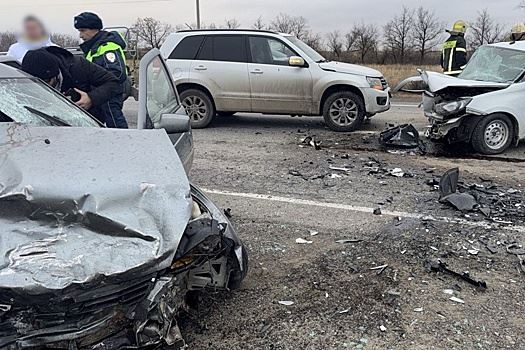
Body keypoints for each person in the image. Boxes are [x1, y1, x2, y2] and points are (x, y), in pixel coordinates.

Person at [21, 46, 121, 125]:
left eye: (47, 82)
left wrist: (91, 99)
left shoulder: (78, 66)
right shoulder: (22, 82)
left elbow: (113, 83)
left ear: (56, 75)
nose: (43, 88)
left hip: (84, 125)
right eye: (37, 84)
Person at [74, 12, 129, 129]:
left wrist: (94, 94)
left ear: (95, 29)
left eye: (83, 30)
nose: (80, 35)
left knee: (118, 132)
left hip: (109, 98)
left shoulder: (108, 47)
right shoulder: (93, 49)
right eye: (79, 31)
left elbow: (117, 74)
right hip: (98, 97)